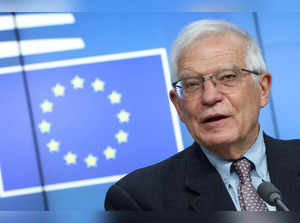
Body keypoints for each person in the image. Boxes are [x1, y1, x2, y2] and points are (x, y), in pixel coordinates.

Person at [104, 20, 300, 212]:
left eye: (228, 77)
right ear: (178, 105)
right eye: (191, 84)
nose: (210, 97)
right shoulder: (138, 200)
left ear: (262, 89)